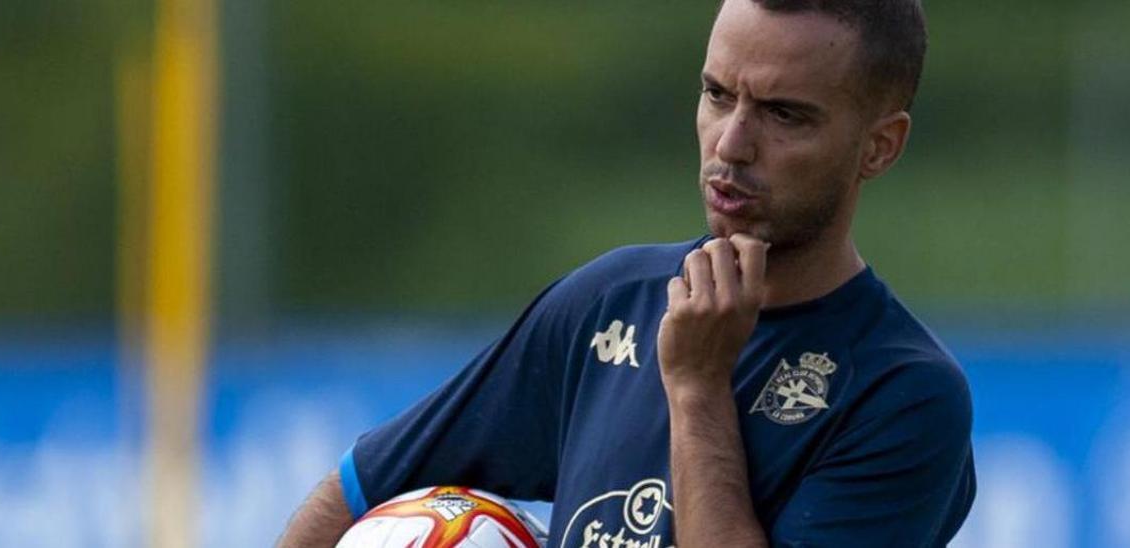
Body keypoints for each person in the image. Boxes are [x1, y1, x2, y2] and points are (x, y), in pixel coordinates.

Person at [279, 0, 975, 546]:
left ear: (880, 146)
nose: (731, 143)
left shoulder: (902, 396)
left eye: (784, 114)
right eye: (716, 94)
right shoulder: (609, 303)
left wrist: (699, 390)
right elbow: (357, 491)